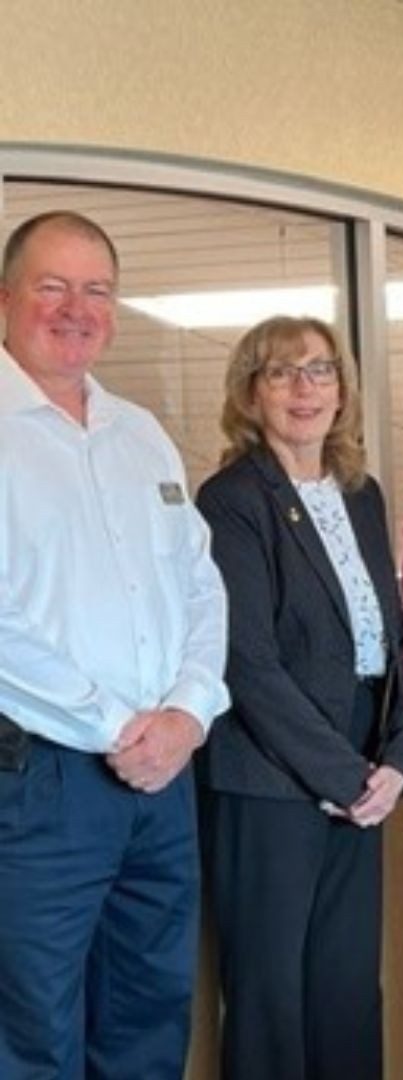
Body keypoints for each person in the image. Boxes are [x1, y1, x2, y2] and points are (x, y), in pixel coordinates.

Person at [0, 210, 229, 1079]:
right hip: (42, 786)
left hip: (163, 779)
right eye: (51, 286)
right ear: (6, 299)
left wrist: (187, 714)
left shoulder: (141, 434)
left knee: (148, 1016)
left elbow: (201, 583)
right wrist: (117, 728)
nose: (75, 307)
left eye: (95, 289)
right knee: (31, 1032)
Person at [196, 315, 403, 1080]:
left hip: (363, 763)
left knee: (347, 988)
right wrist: (344, 775)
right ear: (250, 394)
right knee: (269, 996)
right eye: (281, 372)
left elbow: (394, 634)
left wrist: (396, 758)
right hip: (270, 775)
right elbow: (245, 660)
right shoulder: (231, 499)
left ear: (343, 390)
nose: (304, 388)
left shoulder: (362, 494)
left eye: (320, 371)